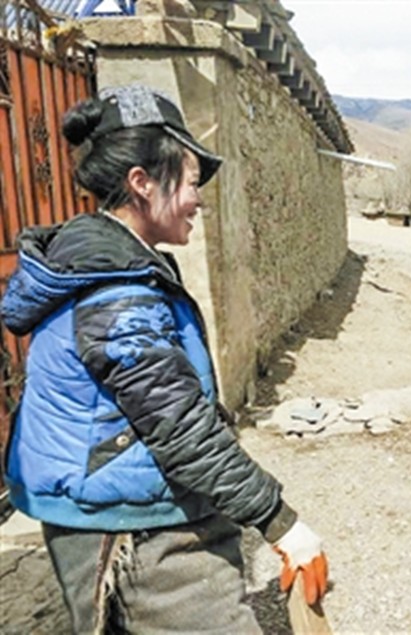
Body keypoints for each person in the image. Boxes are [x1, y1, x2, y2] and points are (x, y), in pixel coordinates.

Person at [1, 84, 327, 633]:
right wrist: (281, 523)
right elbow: (181, 428)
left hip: (113, 502)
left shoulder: (117, 267)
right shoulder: (119, 296)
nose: (199, 200)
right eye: (192, 182)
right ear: (142, 183)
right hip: (133, 526)